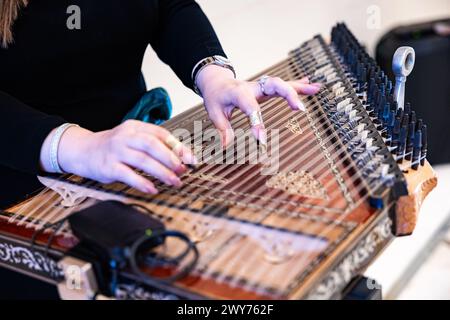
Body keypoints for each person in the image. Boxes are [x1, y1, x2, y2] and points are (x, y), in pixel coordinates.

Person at [0, 0, 320, 298]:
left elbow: (167, 6)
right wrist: (81, 146)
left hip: (134, 159)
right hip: (22, 183)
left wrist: (214, 77)